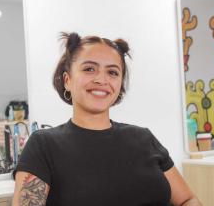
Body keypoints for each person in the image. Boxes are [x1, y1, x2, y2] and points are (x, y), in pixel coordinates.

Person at [12, 32, 201, 206]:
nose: (102, 80)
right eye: (89, 69)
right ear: (67, 80)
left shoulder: (143, 138)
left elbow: (187, 199)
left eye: (112, 72)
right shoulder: (44, 145)